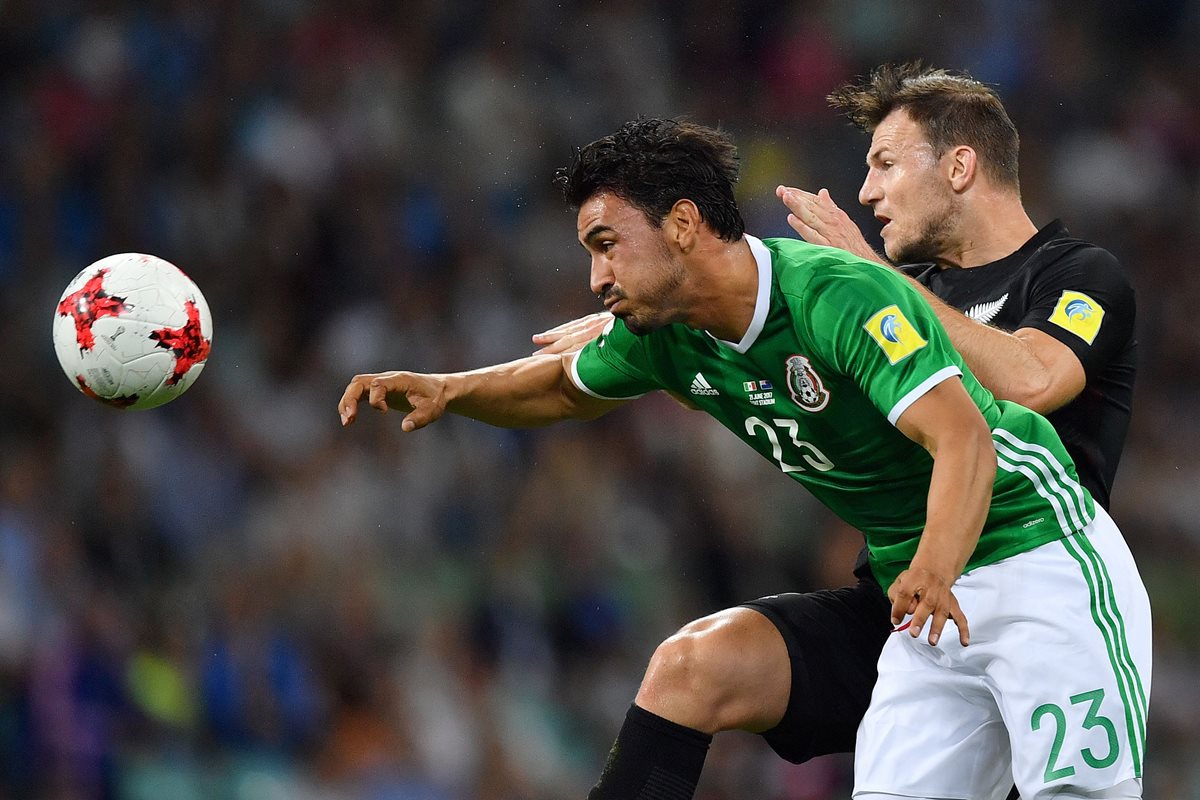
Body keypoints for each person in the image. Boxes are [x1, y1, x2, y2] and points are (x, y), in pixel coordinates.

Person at [339, 115, 1149, 800]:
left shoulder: (833, 294)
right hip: (921, 598)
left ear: (684, 224)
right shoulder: (670, 339)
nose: (595, 276)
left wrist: (935, 568)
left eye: (608, 244)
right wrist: (451, 389)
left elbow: (965, 436)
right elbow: (559, 387)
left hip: (1036, 551)